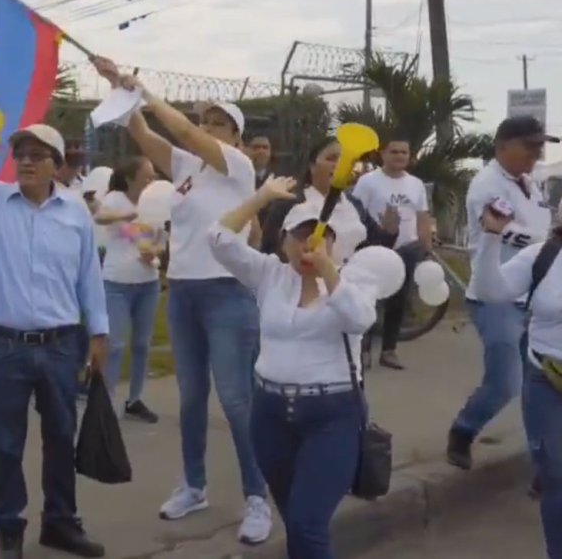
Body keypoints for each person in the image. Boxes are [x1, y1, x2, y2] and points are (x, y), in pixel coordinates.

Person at [92, 58, 271, 544]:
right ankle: (194, 485)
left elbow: (186, 135)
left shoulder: (237, 164)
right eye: (207, 119)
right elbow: (146, 137)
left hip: (227, 293)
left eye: (220, 123)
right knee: (192, 398)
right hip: (185, 289)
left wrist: (146, 91)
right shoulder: (187, 170)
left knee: (236, 399)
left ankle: (258, 495)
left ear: (235, 135)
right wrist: (121, 90)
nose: (208, 127)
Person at [0, 88, 108, 559]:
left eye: (38, 155)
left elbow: (89, 274)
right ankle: (9, 527)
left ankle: (61, 522)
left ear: (56, 163)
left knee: (59, 439)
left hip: (61, 343)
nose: (26, 162)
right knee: (6, 445)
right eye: (21, 155)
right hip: (4, 346)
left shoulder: (75, 214)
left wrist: (99, 333)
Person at [212, 177, 376, 559]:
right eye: (299, 237)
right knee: (295, 522)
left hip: (332, 415)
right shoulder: (270, 274)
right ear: (284, 242)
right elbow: (217, 238)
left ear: (334, 244)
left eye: (320, 238)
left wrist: (327, 273)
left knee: (307, 523)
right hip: (270, 413)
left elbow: (359, 320)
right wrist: (261, 197)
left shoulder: (352, 280)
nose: (309, 246)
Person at [447, 116, 556, 470]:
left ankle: (543, 454)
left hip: (530, 296)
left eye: (540, 147)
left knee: (537, 381)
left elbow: (542, 226)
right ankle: (463, 430)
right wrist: (552, 243)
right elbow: (509, 234)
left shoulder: (528, 182)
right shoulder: (487, 185)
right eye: (530, 146)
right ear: (502, 146)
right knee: (506, 380)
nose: (536, 155)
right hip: (496, 296)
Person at [471, 207, 562, 559]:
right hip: (546, 376)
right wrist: (492, 237)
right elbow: (492, 290)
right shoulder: (544, 254)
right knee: (556, 473)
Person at [350, 138, 432, 370]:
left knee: (398, 301)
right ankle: (362, 351)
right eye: (394, 152)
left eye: (404, 152)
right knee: (367, 300)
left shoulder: (416, 184)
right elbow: (355, 213)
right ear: (382, 154)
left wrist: (426, 245)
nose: (399, 156)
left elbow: (422, 216)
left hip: (406, 249)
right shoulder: (368, 182)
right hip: (375, 249)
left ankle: (389, 350)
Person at [93, 157, 163, 422]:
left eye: (153, 176)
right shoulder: (115, 200)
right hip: (117, 283)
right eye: (146, 176)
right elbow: (100, 216)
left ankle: (134, 399)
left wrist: (154, 252)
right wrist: (127, 216)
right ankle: (106, 402)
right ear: (131, 179)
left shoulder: (155, 204)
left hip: (148, 283)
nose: (151, 180)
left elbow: (161, 240)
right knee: (116, 345)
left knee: (142, 344)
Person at [261, 137, 398, 265]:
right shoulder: (290, 201)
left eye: (345, 159)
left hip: (348, 284)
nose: (339, 164)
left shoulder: (354, 204)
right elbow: (269, 249)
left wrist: (390, 230)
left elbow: (377, 247)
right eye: (331, 158)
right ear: (312, 166)